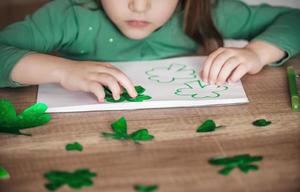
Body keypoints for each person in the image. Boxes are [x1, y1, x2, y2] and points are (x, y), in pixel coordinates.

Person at [0, 0, 300, 102]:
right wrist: (60, 70)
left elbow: (294, 18)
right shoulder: (72, 13)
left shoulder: (203, 9)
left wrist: (257, 54)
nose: (139, 6)